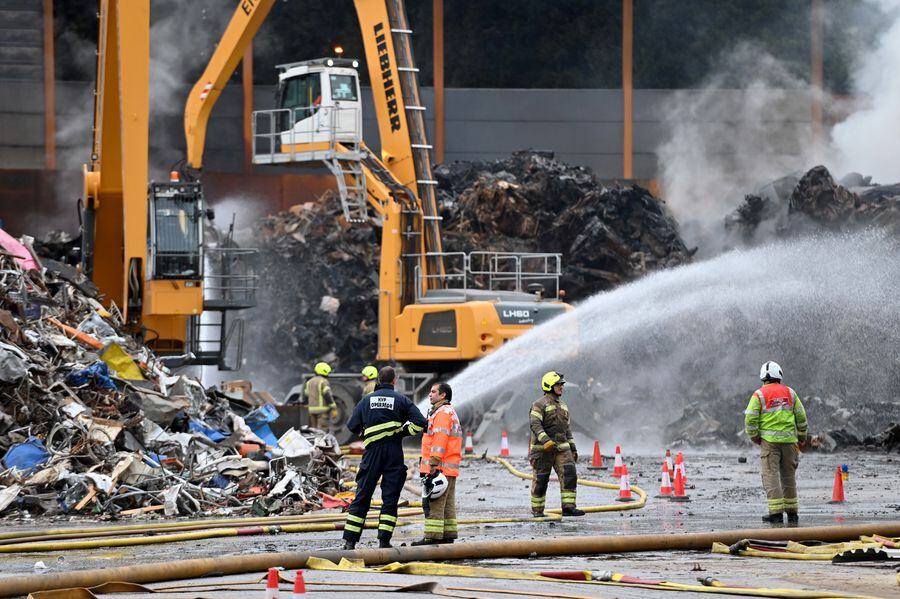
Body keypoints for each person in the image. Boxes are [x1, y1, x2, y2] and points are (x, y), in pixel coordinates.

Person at [342, 366, 426, 549]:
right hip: (393, 453)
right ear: (394, 381)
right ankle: (384, 541)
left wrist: (368, 432)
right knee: (390, 498)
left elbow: (351, 426)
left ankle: (350, 542)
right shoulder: (402, 400)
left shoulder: (366, 400)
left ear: (378, 380)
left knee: (362, 495)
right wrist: (402, 432)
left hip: (372, 453)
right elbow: (420, 423)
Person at [745, 361, 809, 525]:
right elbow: (801, 417)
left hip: (769, 443)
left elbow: (750, 419)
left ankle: (776, 514)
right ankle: (792, 514)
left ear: (763, 378)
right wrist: (802, 437)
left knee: (771, 476)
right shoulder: (790, 393)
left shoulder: (758, 395)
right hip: (790, 442)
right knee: (789, 477)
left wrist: (755, 437)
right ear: (779, 375)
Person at [528, 371, 584, 517]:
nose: (561, 387)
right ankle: (537, 511)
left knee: (570, 475)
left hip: (562, 449)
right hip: (542, 450)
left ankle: (568, 507)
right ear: (549, 385)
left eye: (561, 384)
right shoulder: (539, 404)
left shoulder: (564, 406)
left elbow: (567, 429)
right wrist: (545, 440)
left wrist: (573, 448)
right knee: (541, 480)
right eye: (558, 384)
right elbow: (535, 424)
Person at [412, 382, 461, 545]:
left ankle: (432, 537)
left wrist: (433, 464)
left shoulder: (442, 413)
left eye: (434, 392)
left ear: (443, 395)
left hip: (439, 467)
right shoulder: (447, 411)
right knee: (447, 504)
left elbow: (440, 440)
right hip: (448, 467)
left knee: (435, 503)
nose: (430, 395)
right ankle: (448, 535)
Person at [303, 361, 336, 430]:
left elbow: (306, 395)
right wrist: (333, 407)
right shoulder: (323, 381)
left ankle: (315, 441)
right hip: (323, 411)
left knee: (314, 430)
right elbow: (327, 395)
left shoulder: (309, 382)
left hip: (312, 410)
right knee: (323, 431)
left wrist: (307, 405)